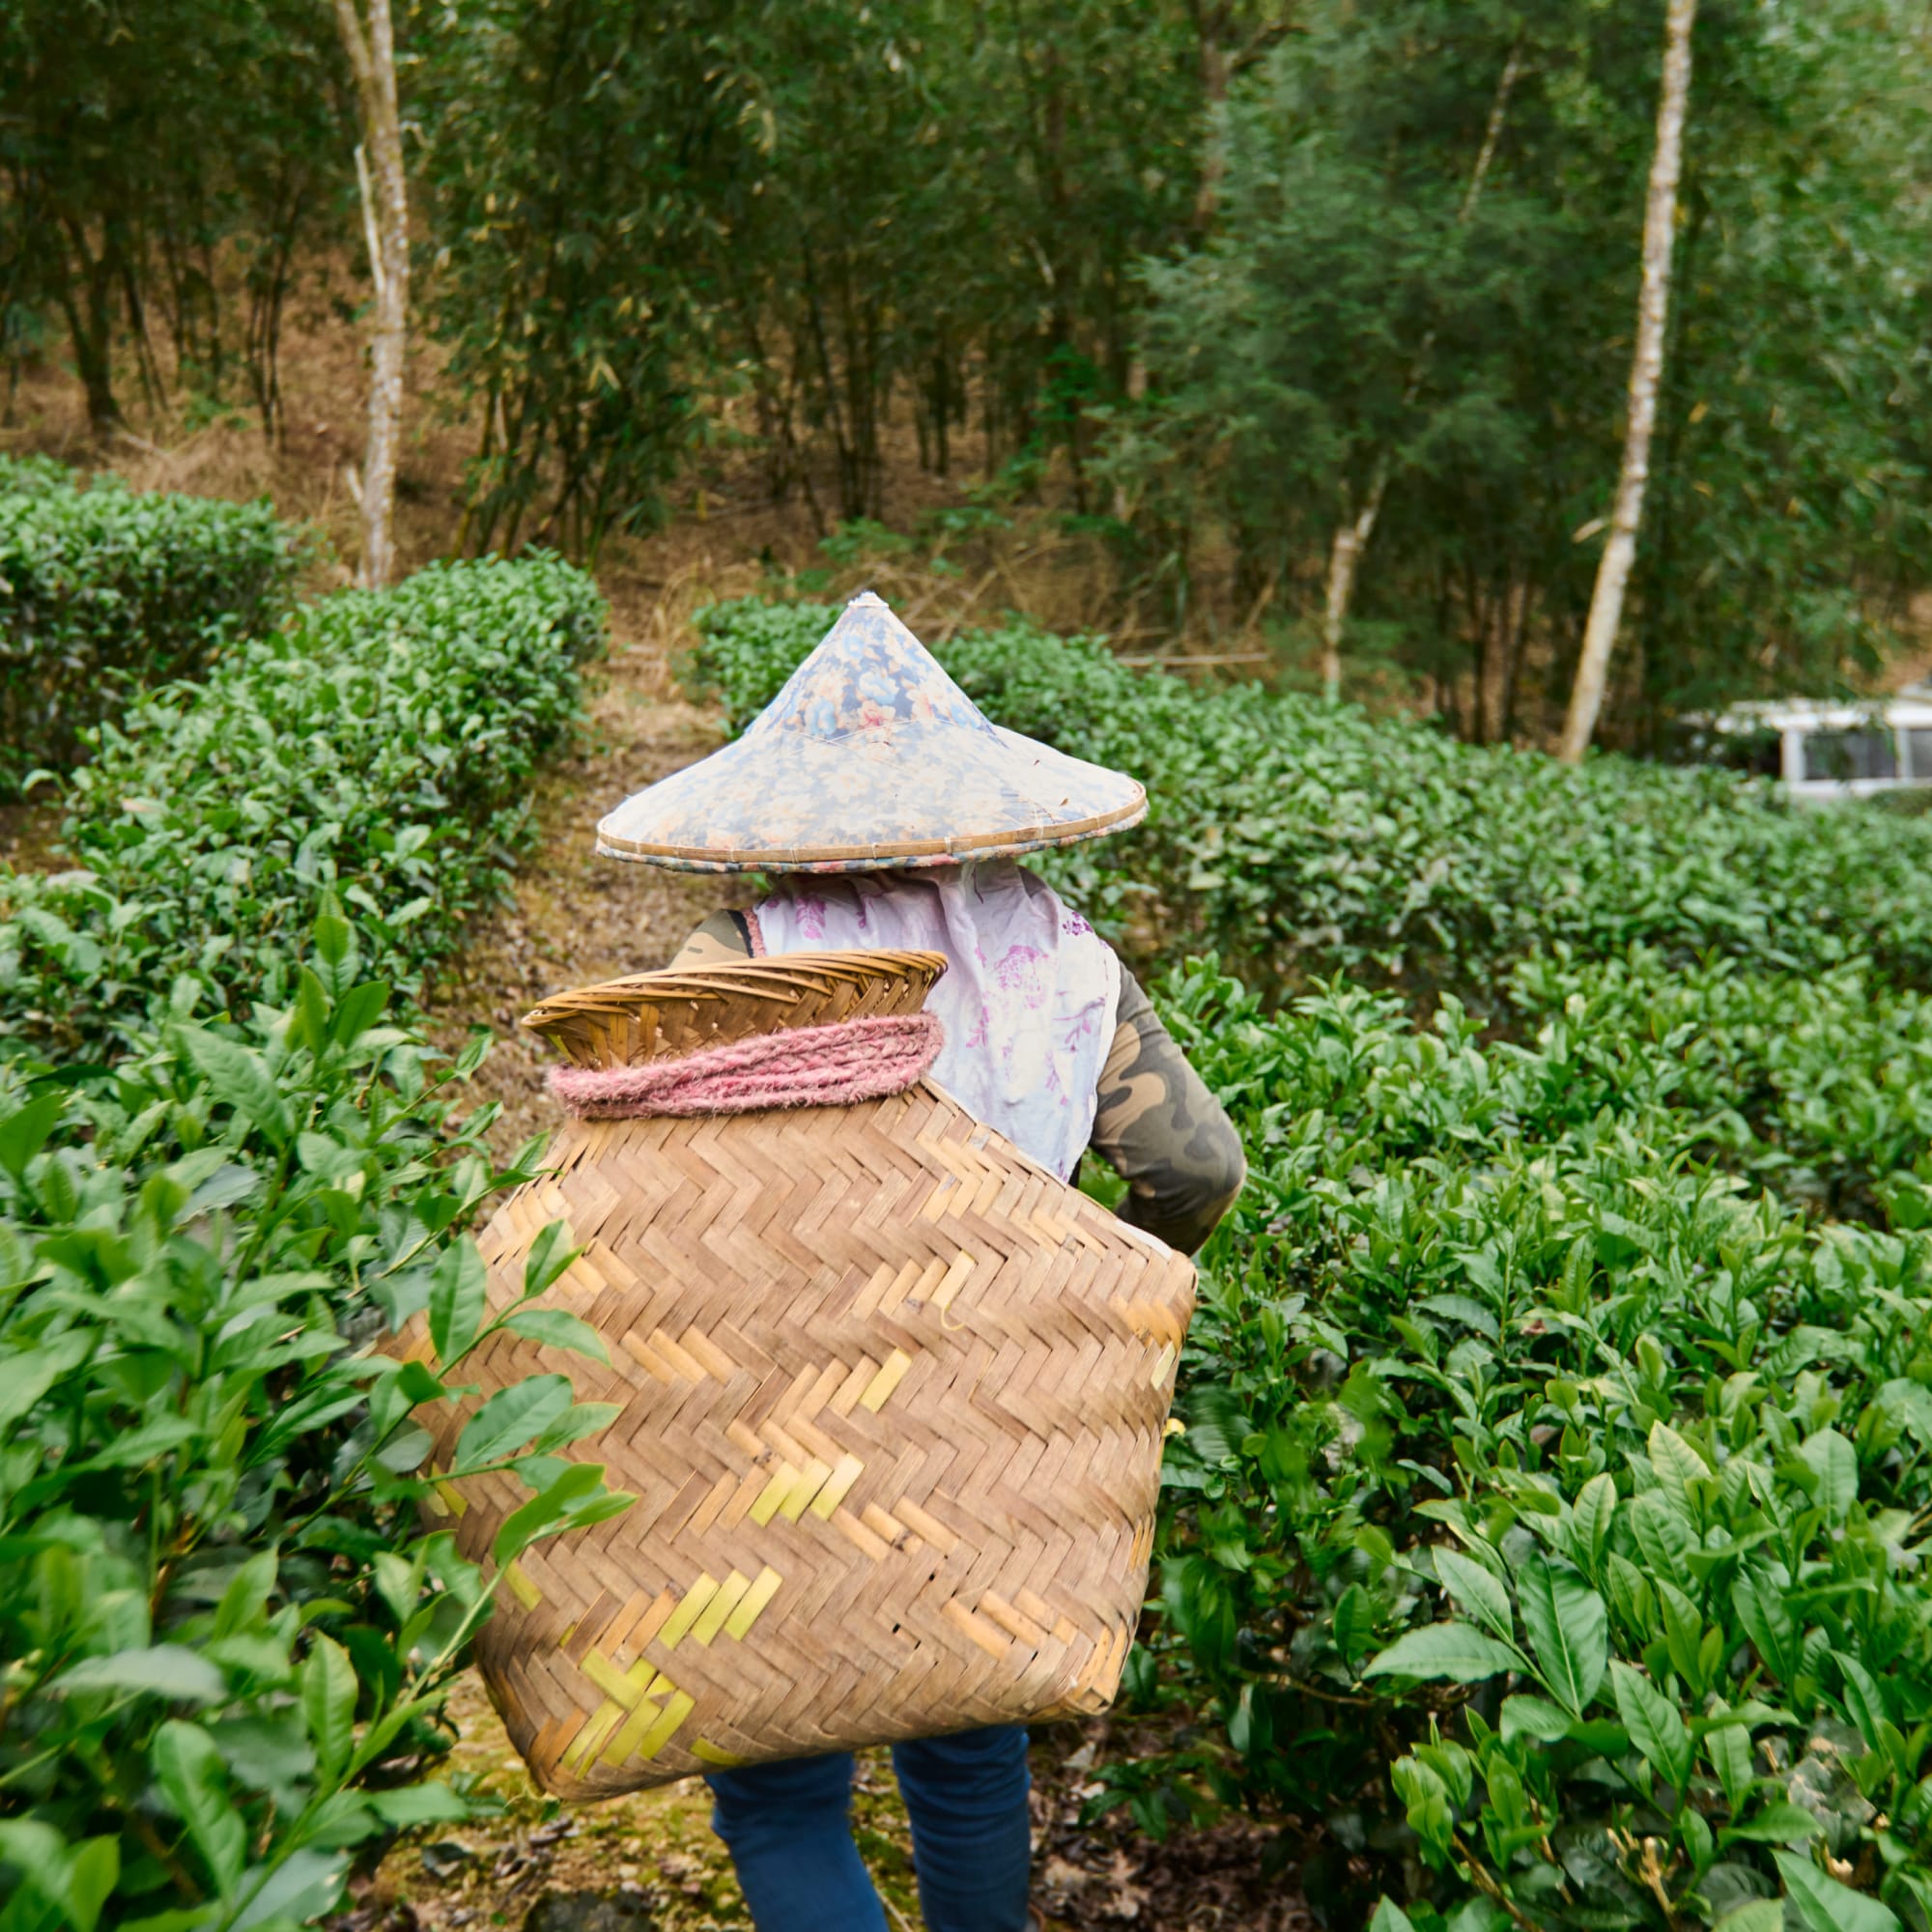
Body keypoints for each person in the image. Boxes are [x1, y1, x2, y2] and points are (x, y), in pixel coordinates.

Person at [594, 591, 1245, 1932]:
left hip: (777, 1404)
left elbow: (642, 1197)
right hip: (994, 1407)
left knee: (778, 1778)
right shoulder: (1065, 960)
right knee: (967, 1747)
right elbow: (1195, 1169)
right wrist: (1083, 1290)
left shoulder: (741, 957)